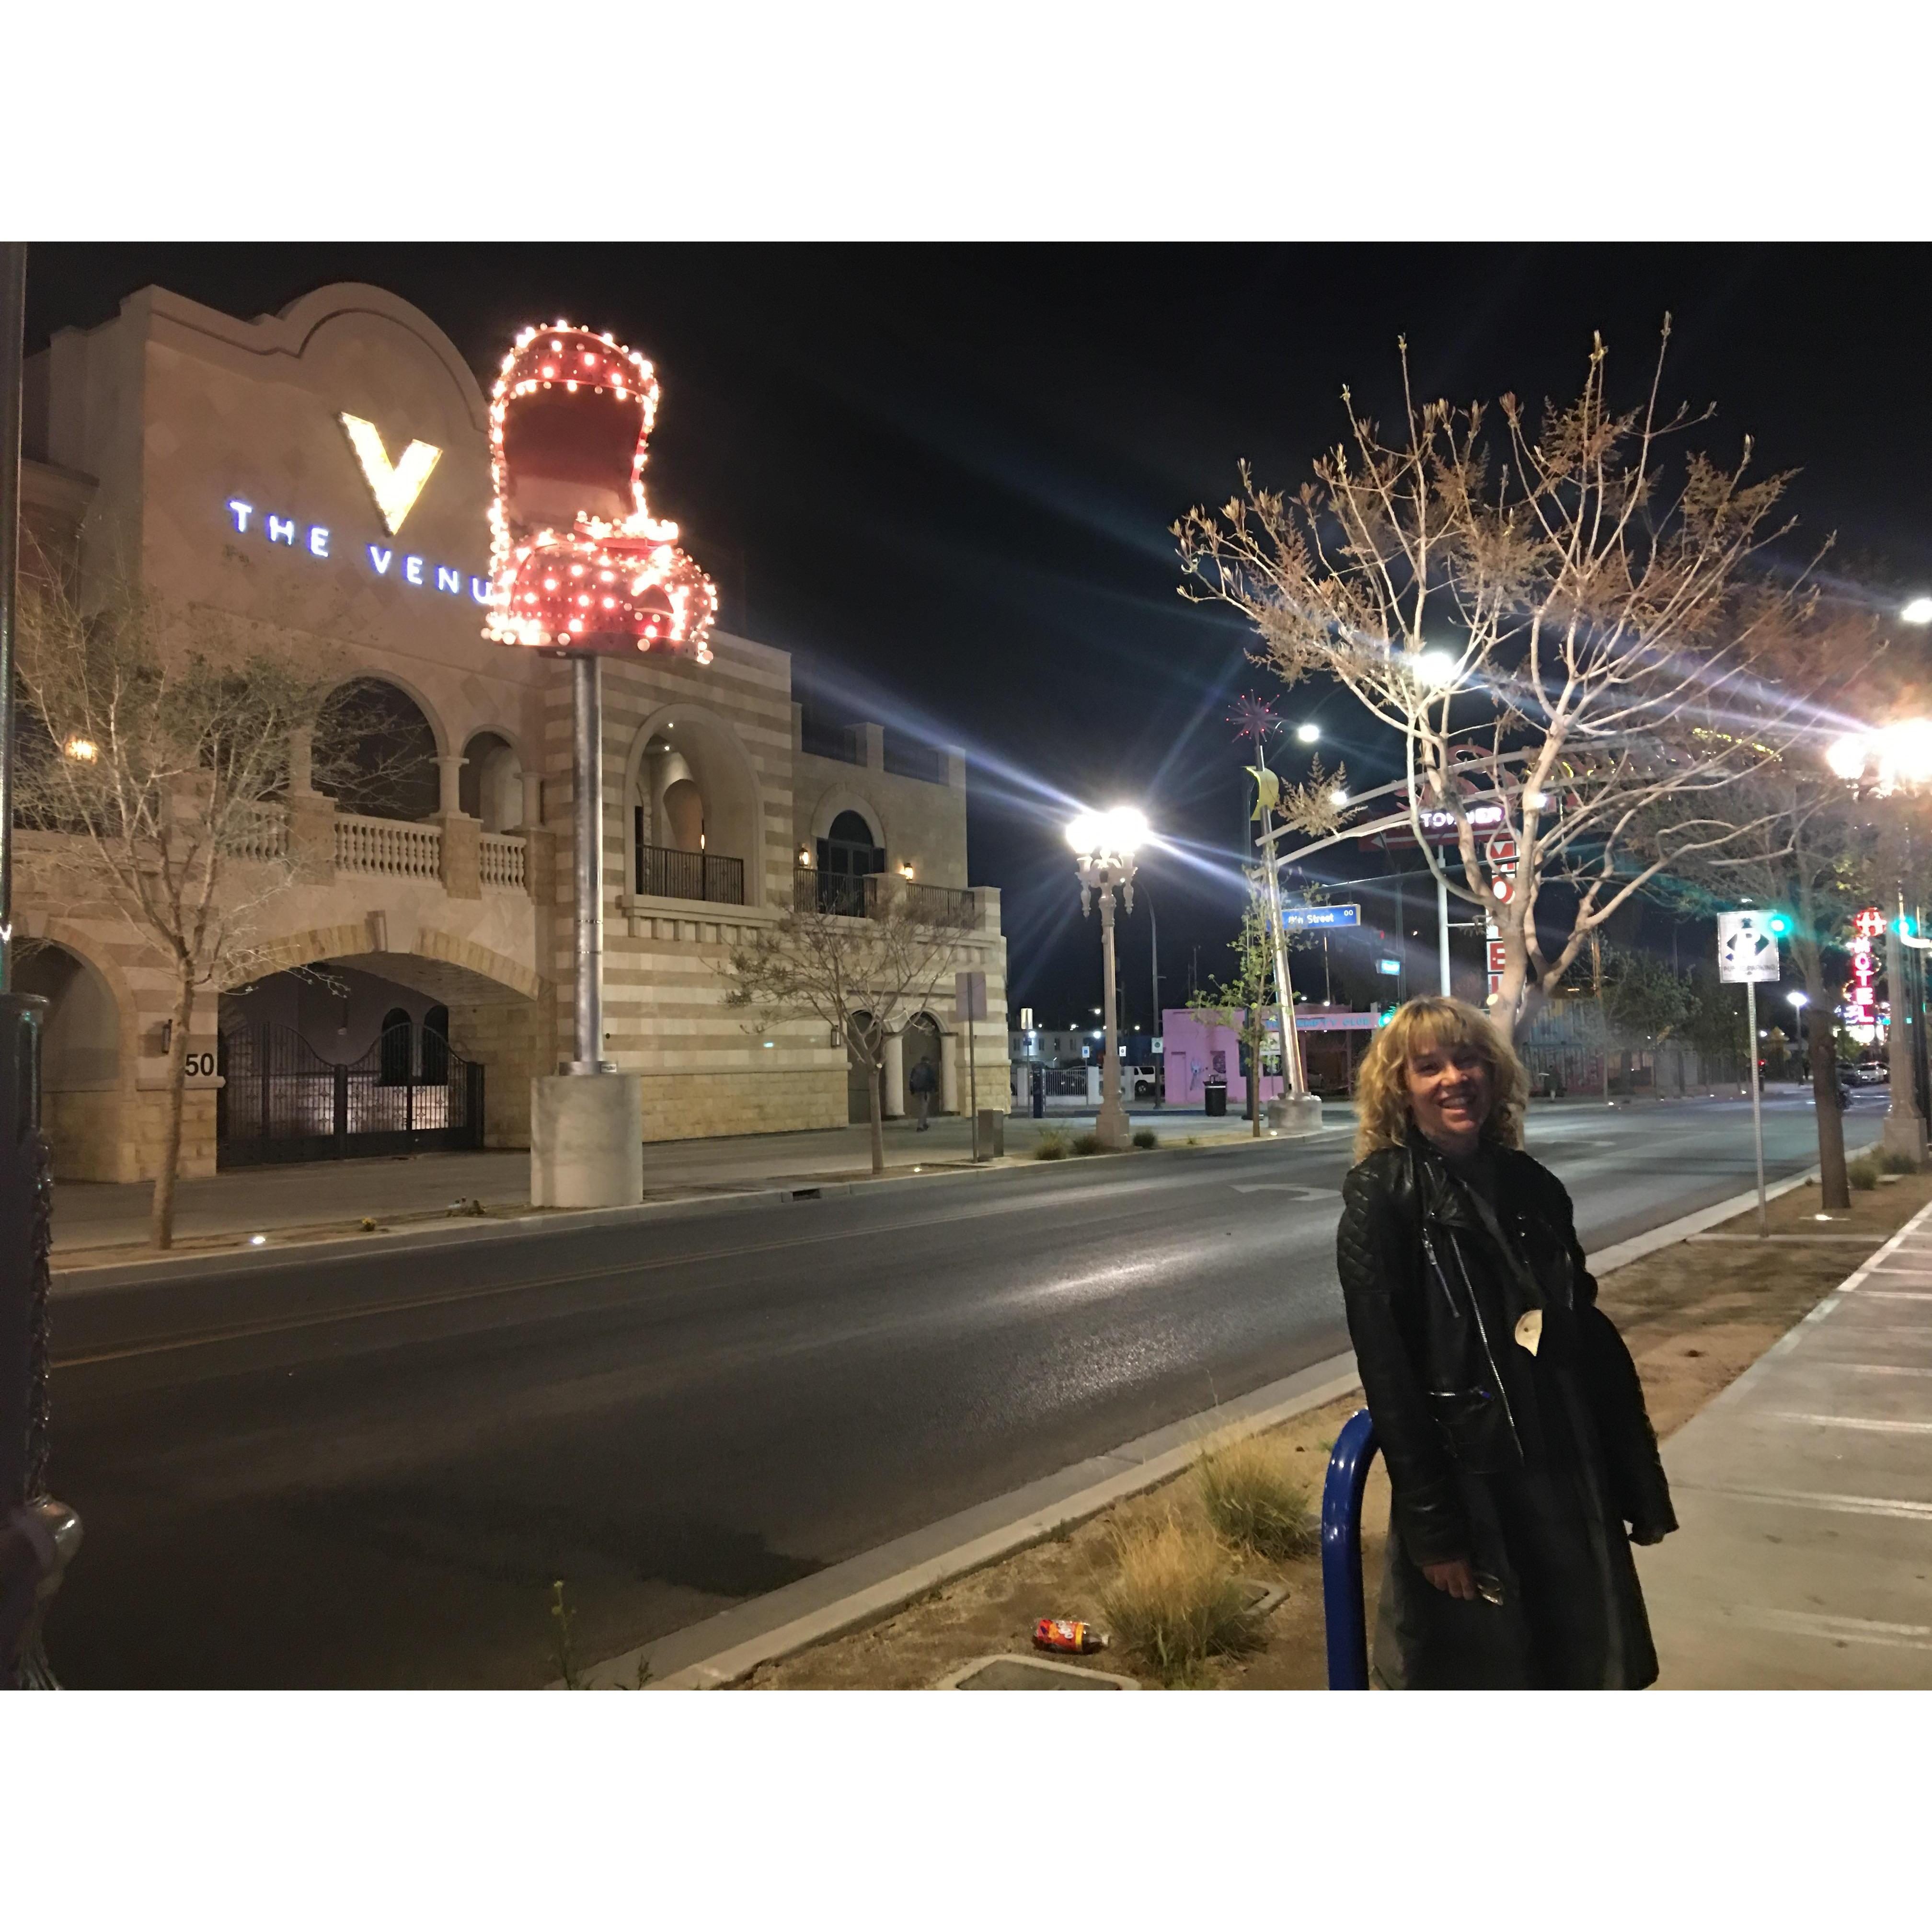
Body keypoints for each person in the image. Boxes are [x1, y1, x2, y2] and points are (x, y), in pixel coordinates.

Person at [1335, 996, 1677, 1690]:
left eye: (1467, 1061)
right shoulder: (1385, 1196)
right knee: (1483, 1673)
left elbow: (1587, 1338)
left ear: (1494, 1074)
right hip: (1476, 1476)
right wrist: (1435, 1530)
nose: (1453, 1079)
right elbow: (1391, 1375)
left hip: (1564, 1461)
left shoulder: (1534, 1187)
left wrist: (1635, 1479)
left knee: (1579, 1663)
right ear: (1400, 1088)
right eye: (1428, 1067)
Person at [908, 1053, 937, 1130]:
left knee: (922, 1107)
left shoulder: (916, 1067)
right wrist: (935, 1089)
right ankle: (920, 1126)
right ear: (928, 1061)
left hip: (917, 1091)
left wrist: (912, 1090)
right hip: (925, 1091)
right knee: (924, 1108)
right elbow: (932, 1080)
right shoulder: (928, 1068)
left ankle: (925, 1123)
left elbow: (911, 1080)